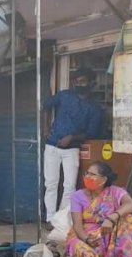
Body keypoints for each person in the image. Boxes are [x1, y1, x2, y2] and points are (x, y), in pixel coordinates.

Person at [42, 67, 103, 227]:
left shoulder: (94, 108)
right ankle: (49, 218)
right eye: (76, 81)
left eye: (82, 81)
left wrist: (72, 137)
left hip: (72, 149)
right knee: (51, 184)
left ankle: (60, 221)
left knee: (69, 186)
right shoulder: (64, 95)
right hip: (52, 146)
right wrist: (46, 128)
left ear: (90, 83)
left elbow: (91, 133)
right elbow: (46, 106)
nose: (79, 84)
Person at [66, 162, 132, 257]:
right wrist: (87, 239)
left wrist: (111, 218)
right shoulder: (77, 196)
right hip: (86, 236)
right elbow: (77, 225)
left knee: (127, 218)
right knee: (86, 254)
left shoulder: (115, 192)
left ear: (103, 179)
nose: (87, 177)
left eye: (92, 174)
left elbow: (131, 204)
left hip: (109, 234)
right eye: (86, 173)